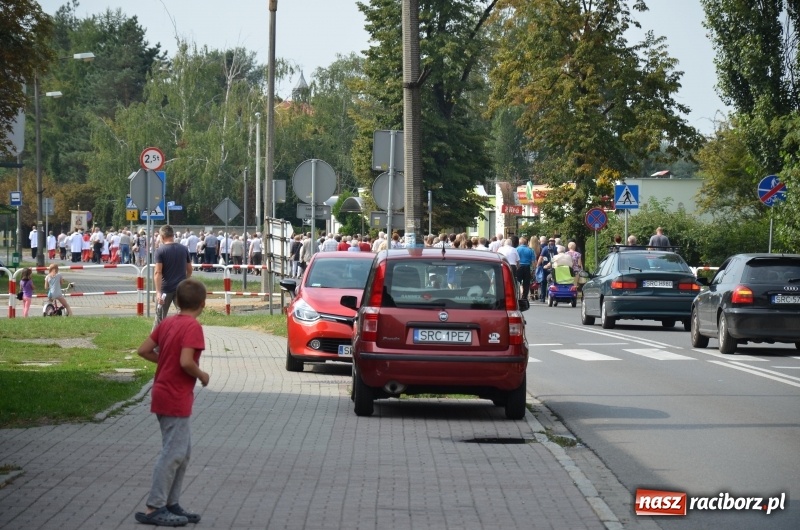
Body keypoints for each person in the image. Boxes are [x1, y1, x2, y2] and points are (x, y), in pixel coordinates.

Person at [135, 278, 209, 527]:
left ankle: (171, 503)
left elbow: (143, 350)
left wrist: (165, 360)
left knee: (182, 453)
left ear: (176, 301)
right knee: (173, 453)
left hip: (163, 392)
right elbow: (186, 362)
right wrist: (202, 375)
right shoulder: (192, 327)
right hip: (175, 396)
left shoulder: (167, 322)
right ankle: (154, 507)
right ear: (203, 304)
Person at [154, 225, 193, 326]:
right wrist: (185, 280)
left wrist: (158, 292)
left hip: (165, 289)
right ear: (173, 235)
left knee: (160, 318)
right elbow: (189, 269)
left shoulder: (160, 251)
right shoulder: (184, 249)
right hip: (180, 289)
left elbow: (158, 272)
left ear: (162, 236)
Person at [536, 238, 558, 303]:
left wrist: (538, 265)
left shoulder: (545, 248)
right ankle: (550, 296)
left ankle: (543, 297)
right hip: (553, 268)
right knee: (552, 282)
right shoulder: (556, 249)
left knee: (543, 282)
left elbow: (541, 257)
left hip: (545, 267)